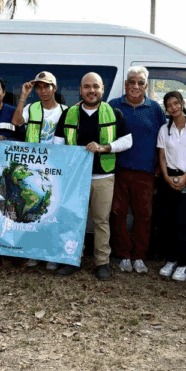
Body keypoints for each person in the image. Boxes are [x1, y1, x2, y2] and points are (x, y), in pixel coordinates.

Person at [53, 72, 132, 280]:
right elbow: (57, 144)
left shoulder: (114, 113)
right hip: (74, 178)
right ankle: (72, 258)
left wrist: (104, 147)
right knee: (72, 220)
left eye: (95, 86)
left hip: (103, 177)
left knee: (101, 221)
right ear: (80, 90)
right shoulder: (69, 113)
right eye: (86, 86)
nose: (91, 90)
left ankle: (102, 263)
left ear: (102, 89)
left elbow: (128, 141)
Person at [108, 66, 166, 274]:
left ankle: (139, 256)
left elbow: (164, 139)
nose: (135, 86)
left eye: (140, 83)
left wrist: (161, 165)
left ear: (146, 86)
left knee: (144, 216)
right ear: (125, 84)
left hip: (146, 171)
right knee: (118, 213)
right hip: (118, 169)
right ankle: (123, 255)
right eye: (131, 82)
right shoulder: (113, 105)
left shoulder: (155, 109)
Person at [12, 71, 67, 270]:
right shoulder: (31, 107)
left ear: (55, 88)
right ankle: (34, 253)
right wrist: (23, 96)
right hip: (33, 168)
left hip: (55, 169)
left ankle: (52, 254)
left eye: (47, 86)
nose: (43, 91)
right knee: (34, 210)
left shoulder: (65, 110)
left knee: (53, 211)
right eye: (39, 87)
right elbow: (16, 122)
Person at [156, 91, 186, 282]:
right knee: (167, 221)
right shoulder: (164, 129)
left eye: (176, 103)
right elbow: (161, 155)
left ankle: (184, 264)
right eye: (169, 105)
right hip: (168, 177)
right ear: (166, 109)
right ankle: (171, 260)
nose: (174, 107)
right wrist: (167, 178)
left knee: (183, 223)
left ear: (183, 103)